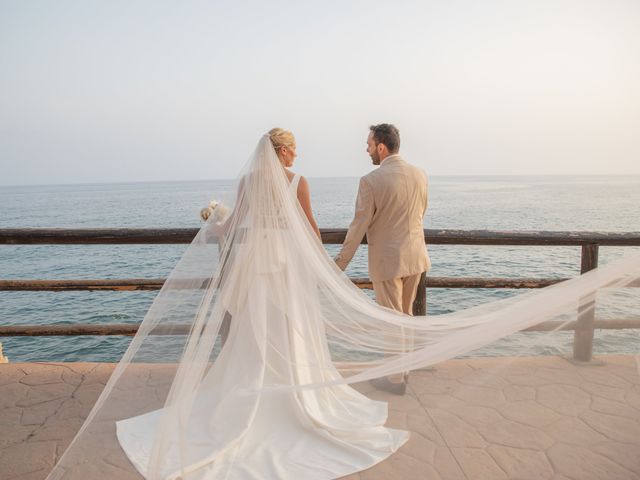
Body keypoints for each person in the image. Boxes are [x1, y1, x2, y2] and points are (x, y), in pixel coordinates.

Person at [335, 124, 430, 394]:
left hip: (388, 261)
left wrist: (339, 264)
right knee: (406, 316)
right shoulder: (420, 174)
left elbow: (358, 228)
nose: (366, 150)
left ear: (381, 146)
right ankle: (405, 370)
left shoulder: (370, 181)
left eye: (368, 144)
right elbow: (421, 211)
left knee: (391, 321)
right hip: (416, 257)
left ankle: (395, 379)